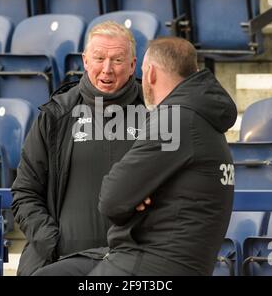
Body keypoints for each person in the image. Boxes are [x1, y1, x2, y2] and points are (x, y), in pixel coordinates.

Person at [33, 37, 237, 276]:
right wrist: (136, 194)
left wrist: (134, 196)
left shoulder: (175, 119)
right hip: (143, 255)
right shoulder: (198, 116)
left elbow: (111, 198)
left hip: (151, 264)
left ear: (149, 73)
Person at [11, 21, 144, 276]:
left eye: (117, 60)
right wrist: (52, 243)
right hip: (60, 264)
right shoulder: (56, 115)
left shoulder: (155, 116)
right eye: (99, 58)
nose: (107, 69)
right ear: (85, 60)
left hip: (132, 268)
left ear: (132, 65)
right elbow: (25, 192)